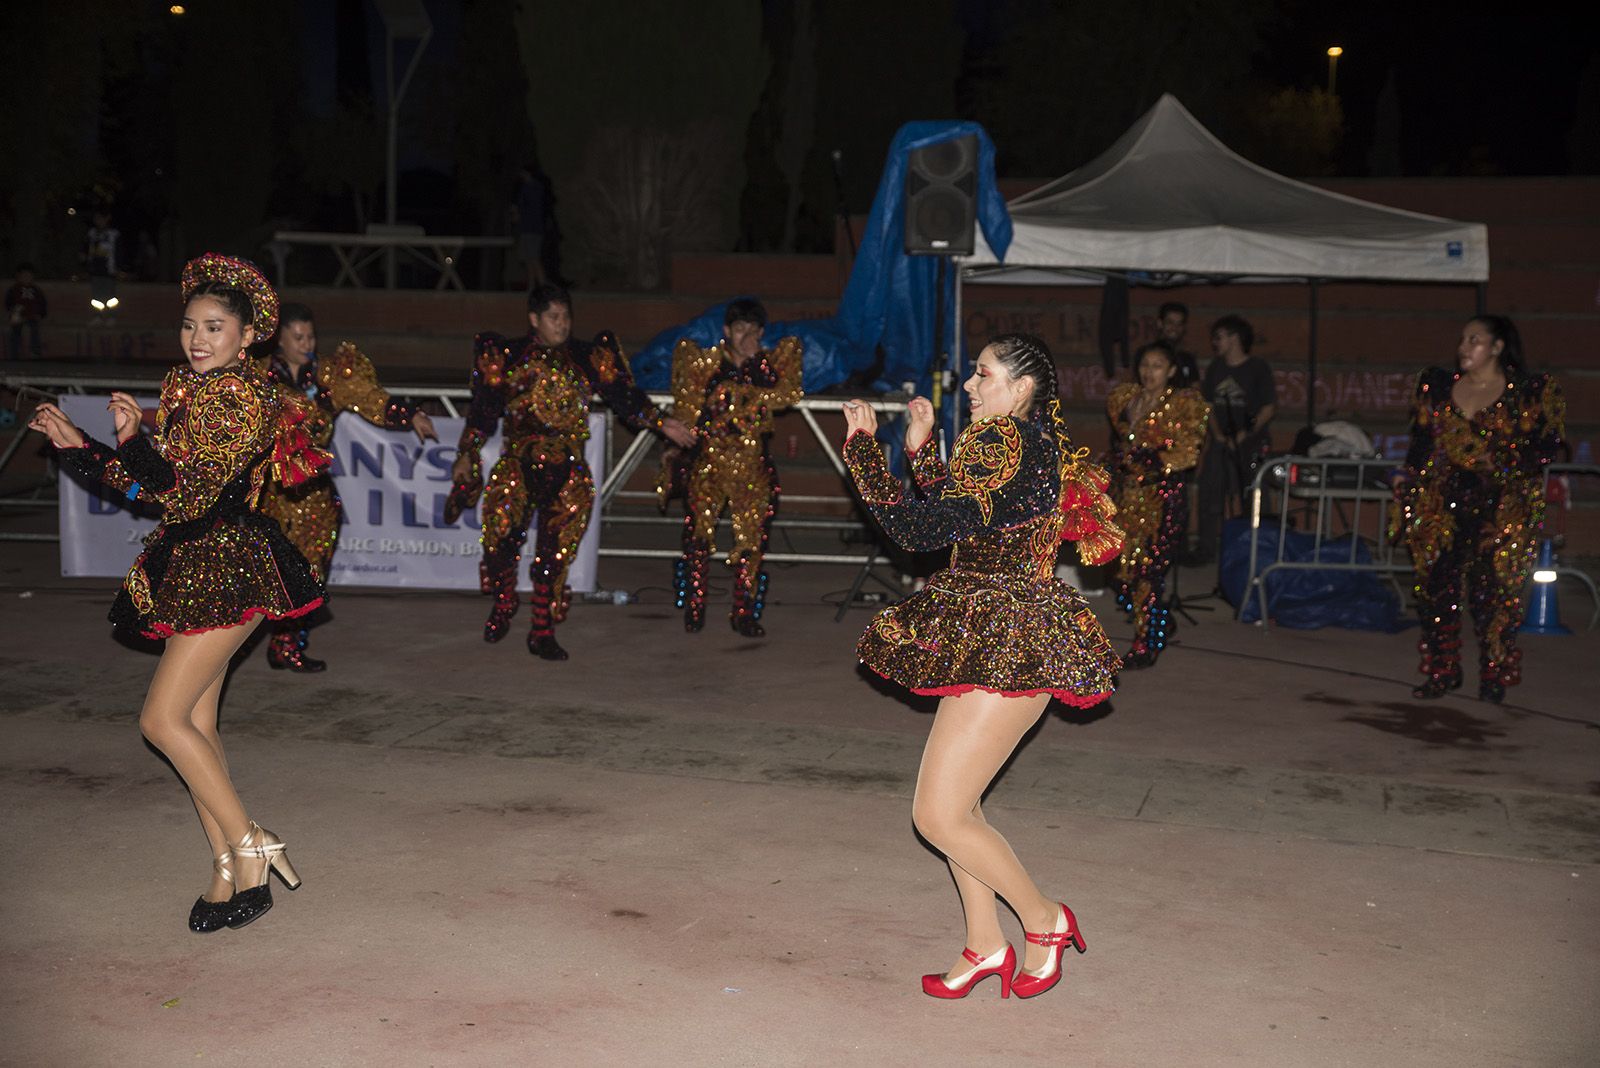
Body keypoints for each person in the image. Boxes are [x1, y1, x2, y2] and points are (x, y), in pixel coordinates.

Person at [27, 253, 326, 932]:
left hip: (231, 562)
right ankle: (226, 864)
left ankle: (253, 845)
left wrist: (110, 447)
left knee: (160, 721)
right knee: (198, 725)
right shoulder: (191, 387)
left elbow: (183, 491)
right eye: (190, 324)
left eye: (214, 326)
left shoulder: (242, 394)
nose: (198, 337)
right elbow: (156, 486)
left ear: (246, 335)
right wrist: (100, 443)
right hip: (196, 559)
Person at [841, 333, 1123, 1001]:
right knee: (958, 806)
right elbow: (972, 519)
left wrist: (862, 451)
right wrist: (919, 451)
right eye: (973, 372)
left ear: (1023, 387)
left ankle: (1044, 919)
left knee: (936, 816)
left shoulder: (1004, 440)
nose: (970, 384)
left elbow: (919, 533)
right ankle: (985, 943)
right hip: (995, 632)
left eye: (985, 374)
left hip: (1006, 641)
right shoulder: (1028, 443)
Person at [446, 283, 695, 660]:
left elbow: (623, 396)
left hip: (567, 467)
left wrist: (661, 423)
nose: (562, 324)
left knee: (554, 554)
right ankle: (503, 602)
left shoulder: (586, 355)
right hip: (518, 462)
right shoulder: (508, 356)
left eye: (566, 316)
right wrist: (467, 451)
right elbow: (483, 410)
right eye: (553, 317)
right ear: (535, 319)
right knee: (498, 541)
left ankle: (541, 631)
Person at [1391, 315, 1564, 702]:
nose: (1464, 348)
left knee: (1494, 594)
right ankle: (1443, 668)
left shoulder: (1527, 393)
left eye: (1475, 340)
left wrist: (1502, 461)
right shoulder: (1437, 388)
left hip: (1500, 506)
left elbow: (1545, 446)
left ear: (1498, 347)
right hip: (1441, 502)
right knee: (1436, 588)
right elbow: (1421, 443)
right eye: (1463, 340)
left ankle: (1493, 674)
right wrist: (1408, 476)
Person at [258, 303, 438, 671]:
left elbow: (370, 397)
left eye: (311, 335)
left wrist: (410, 415)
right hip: (269, 491)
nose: (307, 342)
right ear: (280, 339)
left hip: (314, 494)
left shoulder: (327, 375)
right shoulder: (259, 376)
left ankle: (287, 644)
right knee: (264, 572)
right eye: (299, 336)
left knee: (309, 570)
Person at [659, 298, 803, 636]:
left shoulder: (769, 367)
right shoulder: (706, 365)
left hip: (752, 467)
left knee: (751, 541)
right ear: (727, 331)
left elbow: (785, 395)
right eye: (740, 329)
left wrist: (756, 361)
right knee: (696, 537)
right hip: (708, 464)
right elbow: (688, 409)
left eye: (753, 331)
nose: (746, 336)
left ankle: (744, 613)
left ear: (762, 333)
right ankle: (695, 609)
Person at [1106, 341, 1210, 668]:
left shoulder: (1183, 403)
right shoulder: (1127, 399)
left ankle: (1145, 640)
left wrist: (1152, 458)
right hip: (1127, 497)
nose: (1149, 372)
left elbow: (1188, 452)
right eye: (1145, 365)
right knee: (1121, 572)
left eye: (1158, 366)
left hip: (1162, 497)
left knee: (1147, 571)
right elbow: (1123, 446)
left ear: (1172, 370)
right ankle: (1159, 619)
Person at [1194, 315, 1275, 563]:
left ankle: (1258, 549)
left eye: (1219, 337)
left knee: (1254, 495)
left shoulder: (1257, 367)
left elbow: (1268, 408)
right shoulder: (1216, 368)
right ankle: (1206, 549)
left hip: (1250, 443)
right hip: (1220, 443)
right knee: (1211, 491)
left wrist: (1243, 435)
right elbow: (1206, 404)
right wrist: (1218, 434)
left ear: (1234, 337)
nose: (1214, 342)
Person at [85, 207, 120, 323]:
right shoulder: (92, 234)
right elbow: (88, 250)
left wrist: (119, 266)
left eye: (101, 218)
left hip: (109, 269)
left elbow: (119, 251)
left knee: (111, 296)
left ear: (107, 219)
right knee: (96, 296)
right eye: (97, 219)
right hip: (95, 269)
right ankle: (97, 316)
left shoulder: (113, 234)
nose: (98, 221)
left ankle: (111, 316)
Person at [6, 263, 48, 359]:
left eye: (28, 276)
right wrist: (13, 313)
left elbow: (42, 304)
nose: (26, 278)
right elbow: (8, 303)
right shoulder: (14, 289)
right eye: (23, 276)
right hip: (18, 316)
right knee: (15, 330)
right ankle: (14, 353)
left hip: (32, 316)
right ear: (18, 277)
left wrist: (41, 315)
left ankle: (35, 352)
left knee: (34, 329)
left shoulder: (36, 290)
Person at [1155, 300, 1200, 387]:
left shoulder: (1187, 359)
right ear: (1160, 323)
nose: (1174, 328)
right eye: (1170, 323)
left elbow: (1196, 391)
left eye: (1179, 324)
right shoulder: (1146, 354)